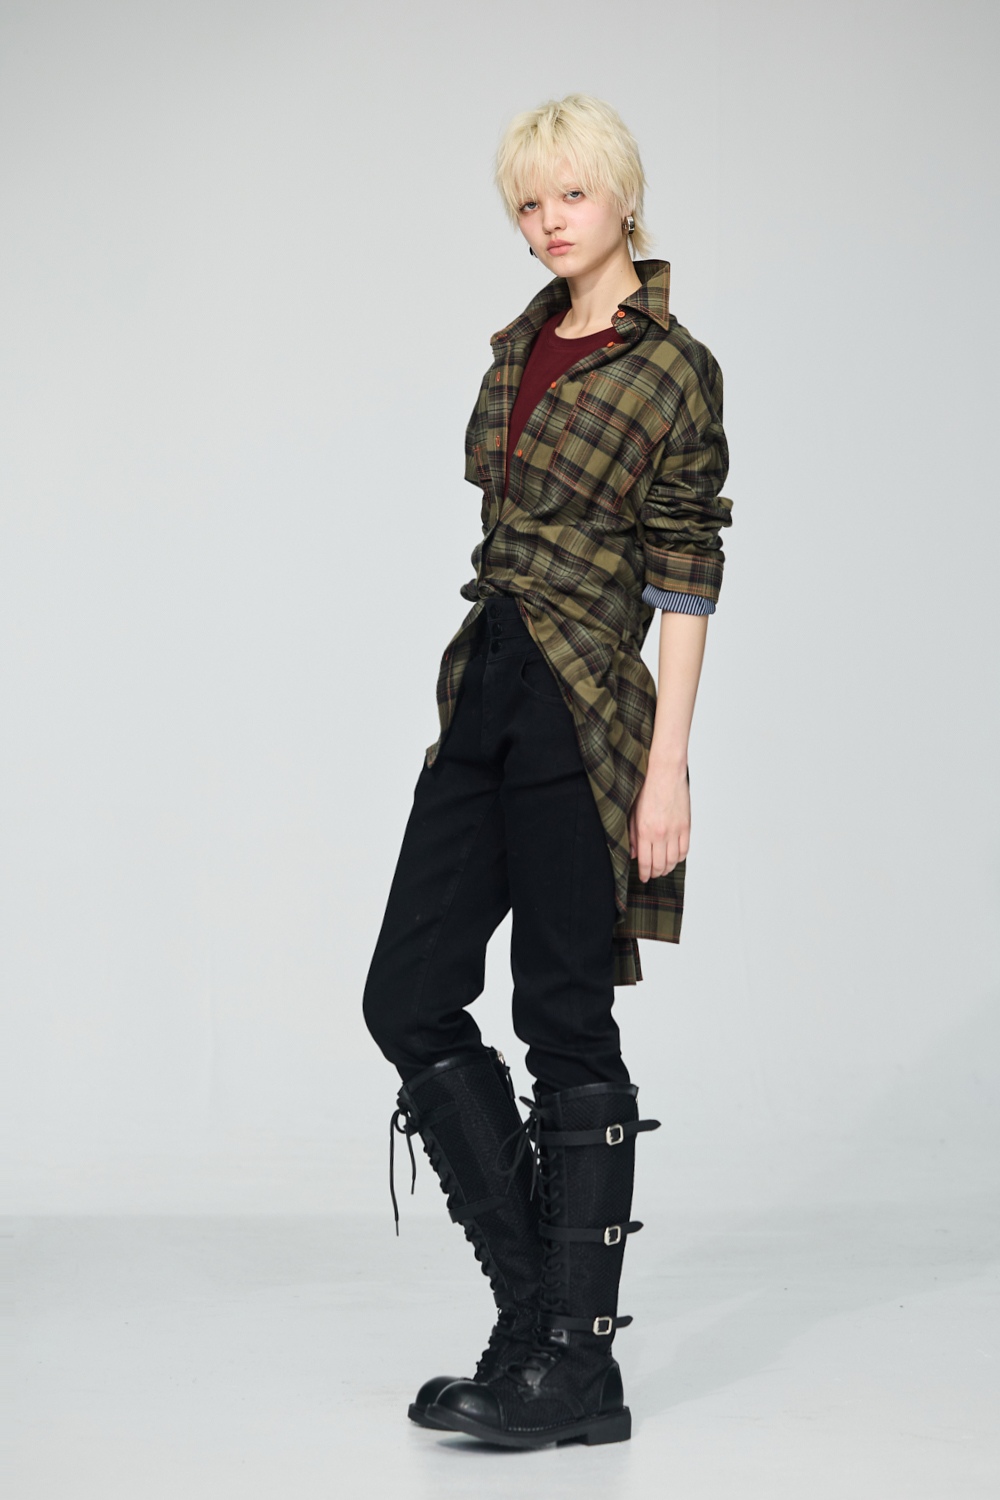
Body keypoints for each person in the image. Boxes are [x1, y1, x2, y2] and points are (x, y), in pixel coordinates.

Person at [362, 92, 733, 1448]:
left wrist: (668, 769)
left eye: (569, 194)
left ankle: (572, 1367)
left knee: (563, 1016)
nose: (547, 221)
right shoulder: (521, 345)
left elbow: (686, 573)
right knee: (408, 994)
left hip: (588, 710)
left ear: (622, 196)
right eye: (528, 203)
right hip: (488, 687)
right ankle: (543, 1320)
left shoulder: (672, 368)